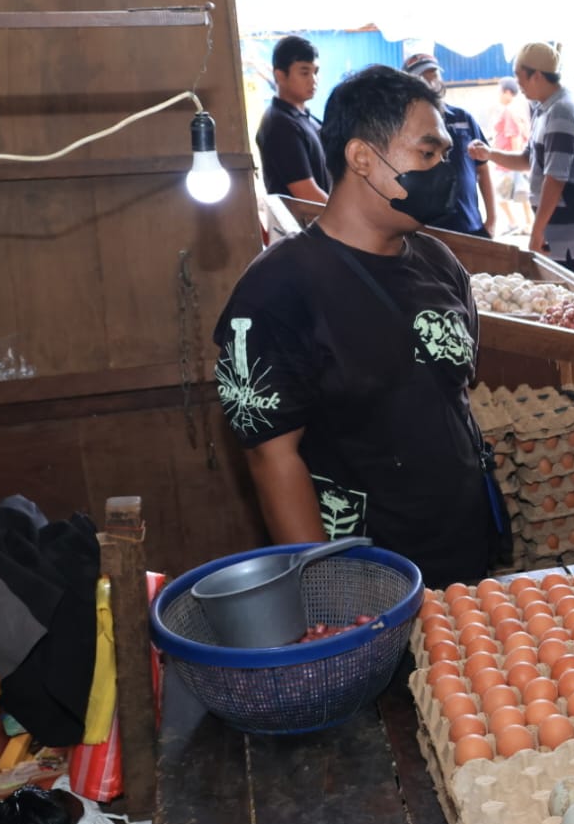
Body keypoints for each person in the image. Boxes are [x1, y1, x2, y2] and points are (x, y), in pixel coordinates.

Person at [213, 65, 498, 588]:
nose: (441, 170)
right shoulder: (277, 289)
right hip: (367, 575)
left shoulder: (439, 260)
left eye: (445, 157)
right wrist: (331, 593)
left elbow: (454, 392)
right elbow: (271, 458)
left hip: (465, 555)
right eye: (427, 153)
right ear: (362, 157)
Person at [470, 43, 574, 279]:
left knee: (573, 304)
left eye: (520, 77)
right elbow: (528, 160)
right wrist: (489, 154)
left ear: (538, 76)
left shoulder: (561, 113)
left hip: (571, 236)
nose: (518, 85)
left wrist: (537, 231)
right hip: (560, 231)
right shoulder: (545, 109)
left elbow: (556, 178)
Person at [402, 52, 497, 238]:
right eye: (423, 78)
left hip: (470, 228)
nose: (431, 83)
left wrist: (491, 220)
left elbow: (483, 170)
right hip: (427, 233)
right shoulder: (403, 126)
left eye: (434, 75)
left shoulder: (463, 118)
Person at [256, 35, 329, 202]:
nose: (313, 80)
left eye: (315, 72)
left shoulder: (307, 119)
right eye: (304, 72)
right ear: (280, 76)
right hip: (302, 226)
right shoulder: (279, 125)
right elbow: (308, 195)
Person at [488, 76, 532, 234]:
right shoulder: (517, 108)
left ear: (507, 92)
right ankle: (525, 223)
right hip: (510, 161)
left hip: (507, 161)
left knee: (502, 195)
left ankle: (519, 223)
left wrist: (516, 163)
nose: (498, 95)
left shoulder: (510, 111)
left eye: (499, 92)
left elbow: (515, 137)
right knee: (521, 193)